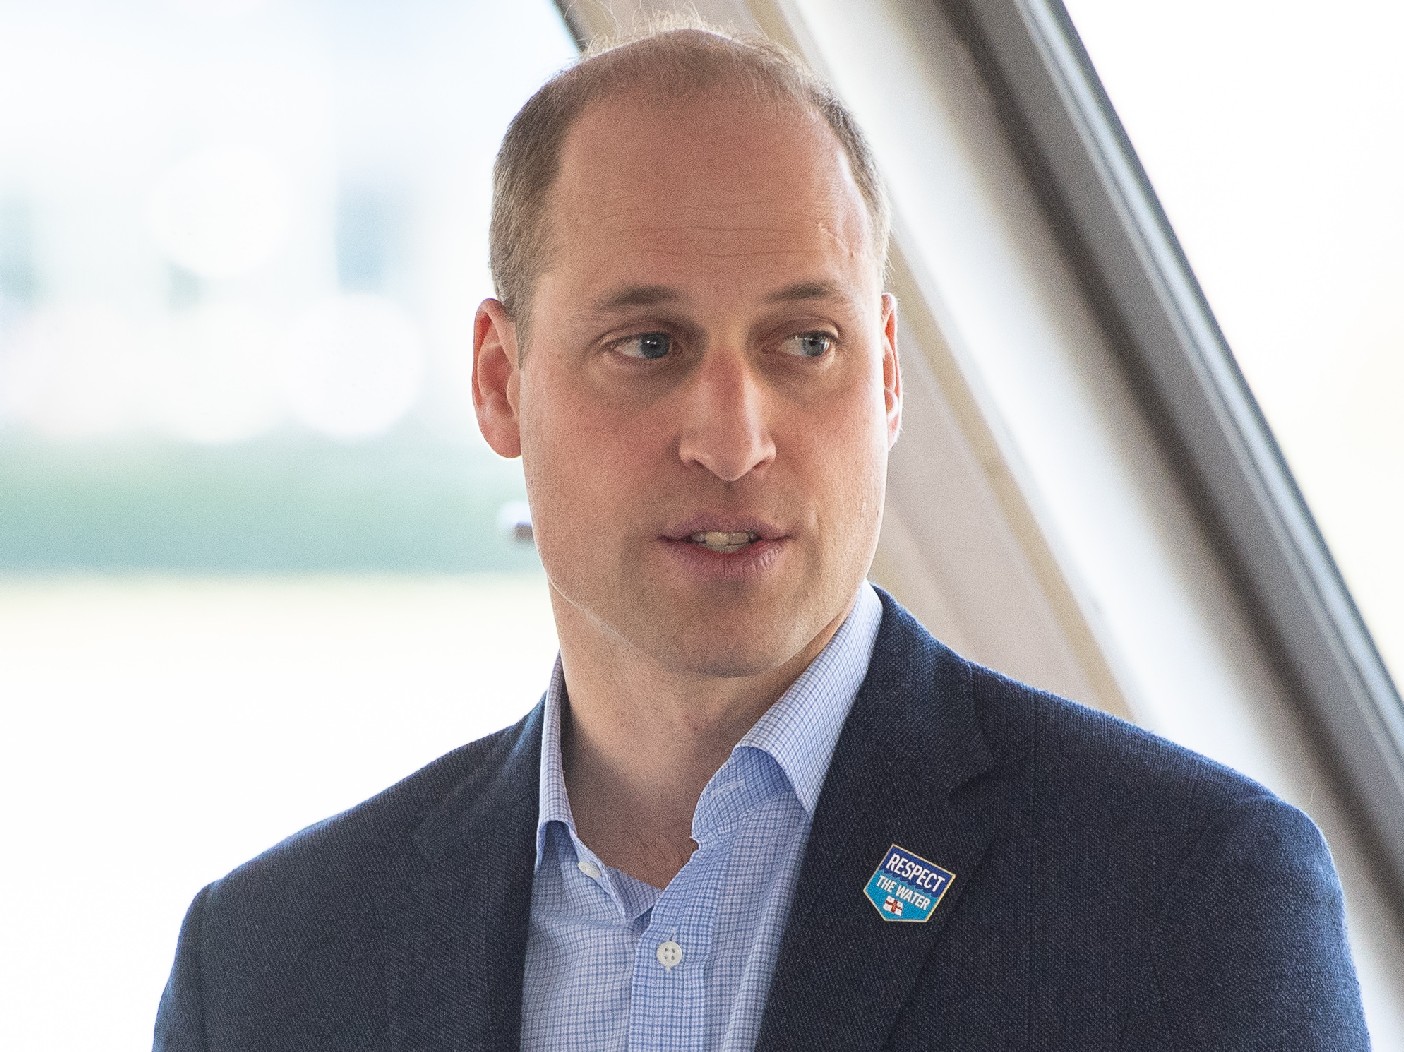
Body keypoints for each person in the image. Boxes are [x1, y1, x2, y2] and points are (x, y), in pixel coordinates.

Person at [153, 26, 1369, 1051]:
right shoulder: (271, 969)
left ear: (886, 376)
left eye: (804, 344)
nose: (734, 441)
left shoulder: (1189, 900)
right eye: (650, 345)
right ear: (499, 380)